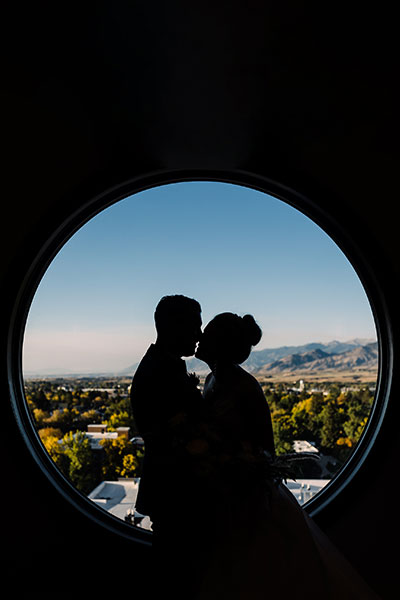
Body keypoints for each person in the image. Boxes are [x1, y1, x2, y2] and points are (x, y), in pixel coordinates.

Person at [192, 312, 380, 600]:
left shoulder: (238, 385)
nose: (200, 338)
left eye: (207, 333)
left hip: (247, 499)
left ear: (220, 343)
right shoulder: (214, 378)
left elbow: (253, 447)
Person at [130, 294, 204, 597]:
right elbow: (168, 436)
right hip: (174, 492)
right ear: (175, 327)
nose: (199, 335)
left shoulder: (165, 366)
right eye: (195, 327)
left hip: (172, 491)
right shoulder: (158, 372)